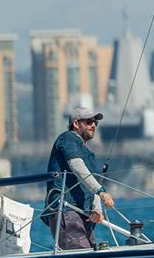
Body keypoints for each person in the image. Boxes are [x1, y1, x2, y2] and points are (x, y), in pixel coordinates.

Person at [45, 107, 115, 250]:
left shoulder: (87, 153)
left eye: (95, 122)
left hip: (83, 213)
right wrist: (102, 191)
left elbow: (90, 181)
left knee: (91, 252)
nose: (94, 125)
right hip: (66, 210)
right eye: (89, 122)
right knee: (82, 253)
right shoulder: (68, 138)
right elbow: (77, 167)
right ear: (76, 124)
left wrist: (97, 209)